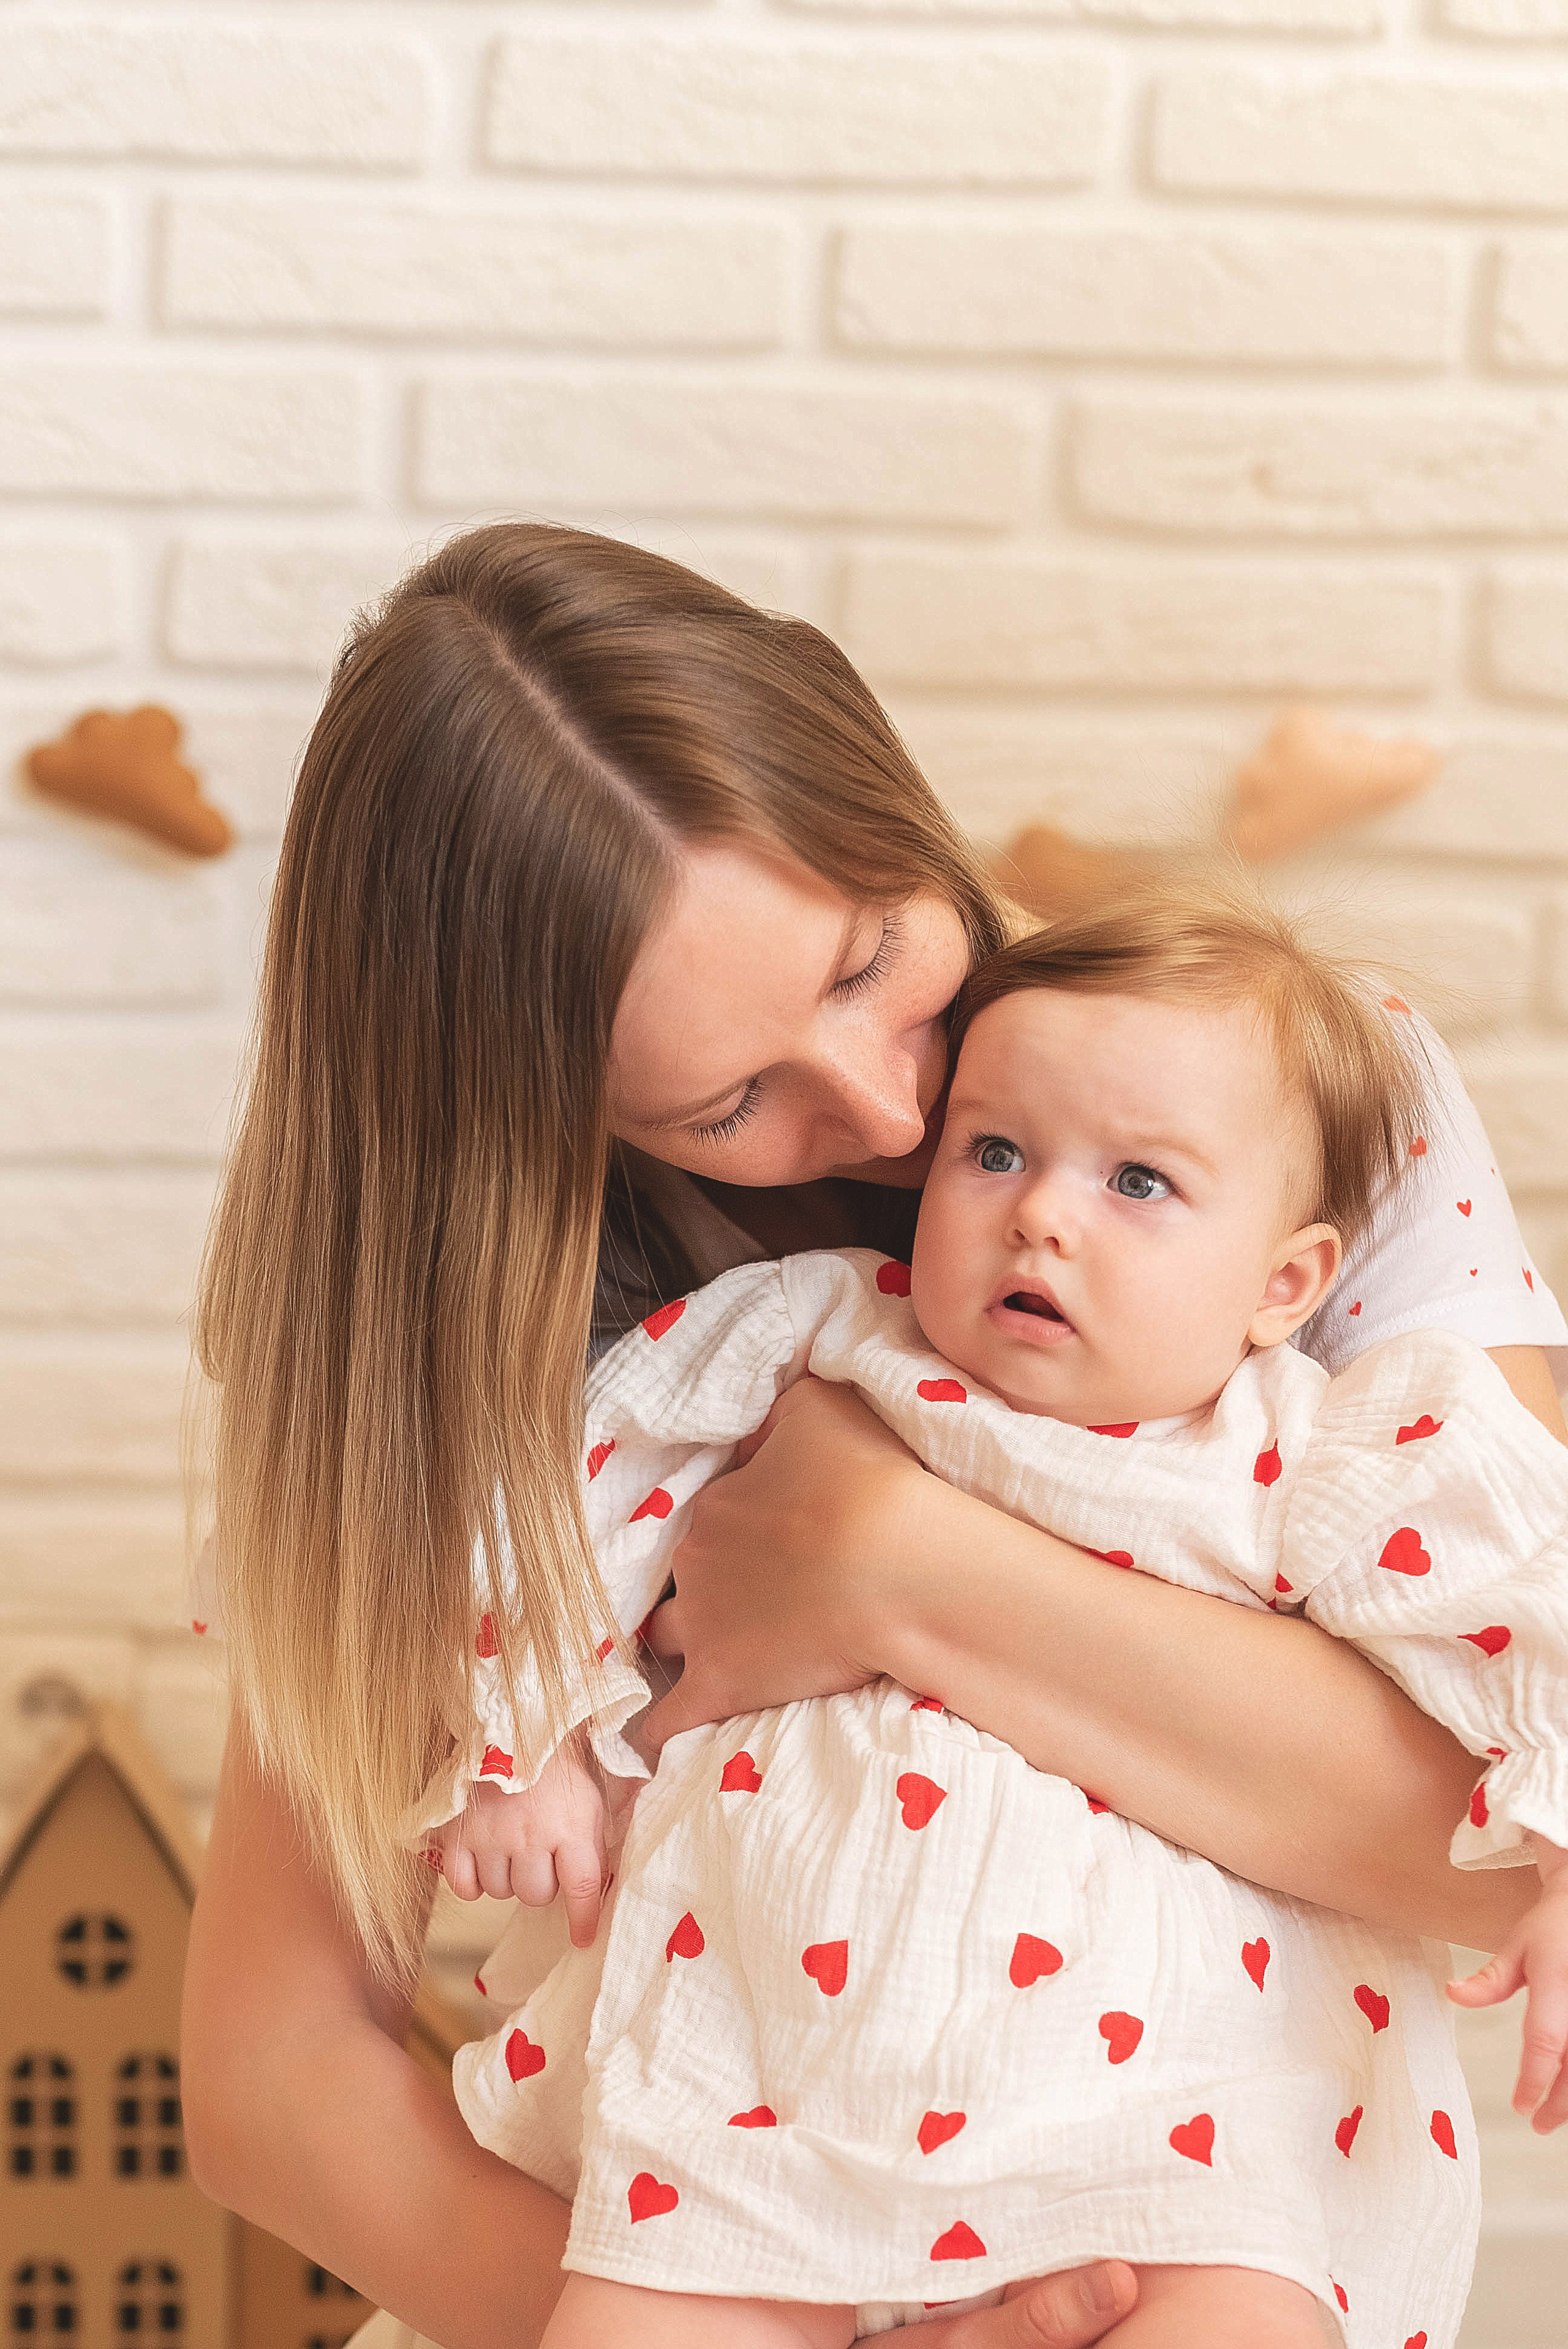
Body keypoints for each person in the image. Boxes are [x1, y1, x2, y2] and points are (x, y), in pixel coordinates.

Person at [179, 526, 1567, 2349]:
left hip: (1182, 2209)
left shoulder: (1282, 1085)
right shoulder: (486, 1338)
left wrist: (887, 1566)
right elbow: (273, 2068)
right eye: (729, 1098)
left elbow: (1466, 1825)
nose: (891, 1106)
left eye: (868, 962)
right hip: (669, 2245)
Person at [429, 894, 1568, 2349]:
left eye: (1137, 1183)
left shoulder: (1323, 1453)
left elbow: (1530, 1597)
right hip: (760, 2081)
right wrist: (521, 1737)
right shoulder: (818, 1328)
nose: (1041, 1210)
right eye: (994, 1152)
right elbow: (580, 1472)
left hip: (1176, 2121)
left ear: (1285, 1284)